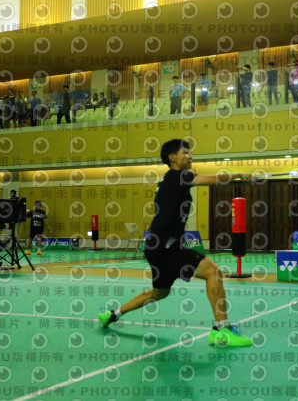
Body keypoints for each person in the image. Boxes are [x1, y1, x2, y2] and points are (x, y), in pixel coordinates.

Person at [99, 139, 255, 347]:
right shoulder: (180, 176)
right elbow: (215, 180)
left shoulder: (170, 179)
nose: (190, 156)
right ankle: (222, 330)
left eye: (190, 153)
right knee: (213, 272)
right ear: (172, 158)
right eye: (185, 153)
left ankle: (112, 314)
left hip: (157, 246)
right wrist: (239, 175)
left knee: (159, 293)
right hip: (165, 246)